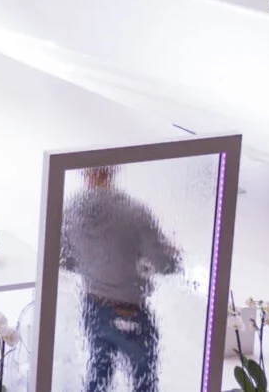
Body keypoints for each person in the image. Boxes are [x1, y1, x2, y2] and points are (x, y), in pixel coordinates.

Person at [62, 165, 181, 392]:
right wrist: (172, 255)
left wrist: (94, 263)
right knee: (143, 379)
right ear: (112, 170)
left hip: (93, 308)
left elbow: (65, 259)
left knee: (99, 373)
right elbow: (165, 264)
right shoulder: (133, 212)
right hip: (130, 312)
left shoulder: (72, 211)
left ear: (85, 172)